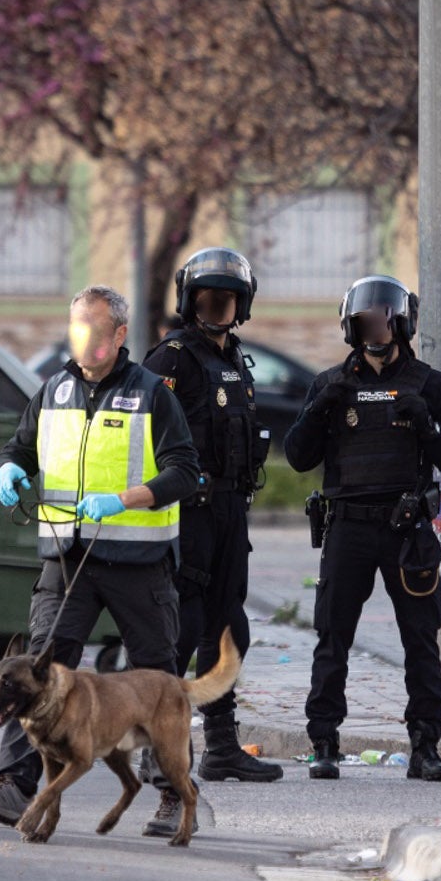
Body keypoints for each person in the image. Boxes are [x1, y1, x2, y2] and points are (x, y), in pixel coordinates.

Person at [0, 285, 202, 837]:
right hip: (68, 559)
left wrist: (124, 499)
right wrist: (6, 469)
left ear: (118, 335)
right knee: (36, 668)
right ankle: (14, 787)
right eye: (76, 328)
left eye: (94, 328)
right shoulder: (53, 391)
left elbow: (186, 471)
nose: (83, 338)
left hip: (139, 562)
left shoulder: (151, 395)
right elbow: (18, 448)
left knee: (158, 679)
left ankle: (171, 795)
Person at [283, 275, 441, 782]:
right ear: (351, 326)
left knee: (420, 639)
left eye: (385, 320)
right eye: (366, 321)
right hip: (347, 526)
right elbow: (298, 456)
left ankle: (425, 746)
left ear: (402, 324)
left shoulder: (428, 385)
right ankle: (323, 741)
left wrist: (428, 428)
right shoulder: (330, 385)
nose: (376, 330)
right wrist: (318, 413)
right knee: (332, 637)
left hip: (406, 527)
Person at [142, 247, 289, 784]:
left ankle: (221, 746)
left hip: (231, 510)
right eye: (207, 299)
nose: (216, 309)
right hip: (189, 514)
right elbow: (146, 438)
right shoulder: (172, 358)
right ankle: (155, 744)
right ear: (188, 301)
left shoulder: (233, 359)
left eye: (227, 301)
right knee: (182, 629)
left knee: (230, 627)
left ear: (242, 306)